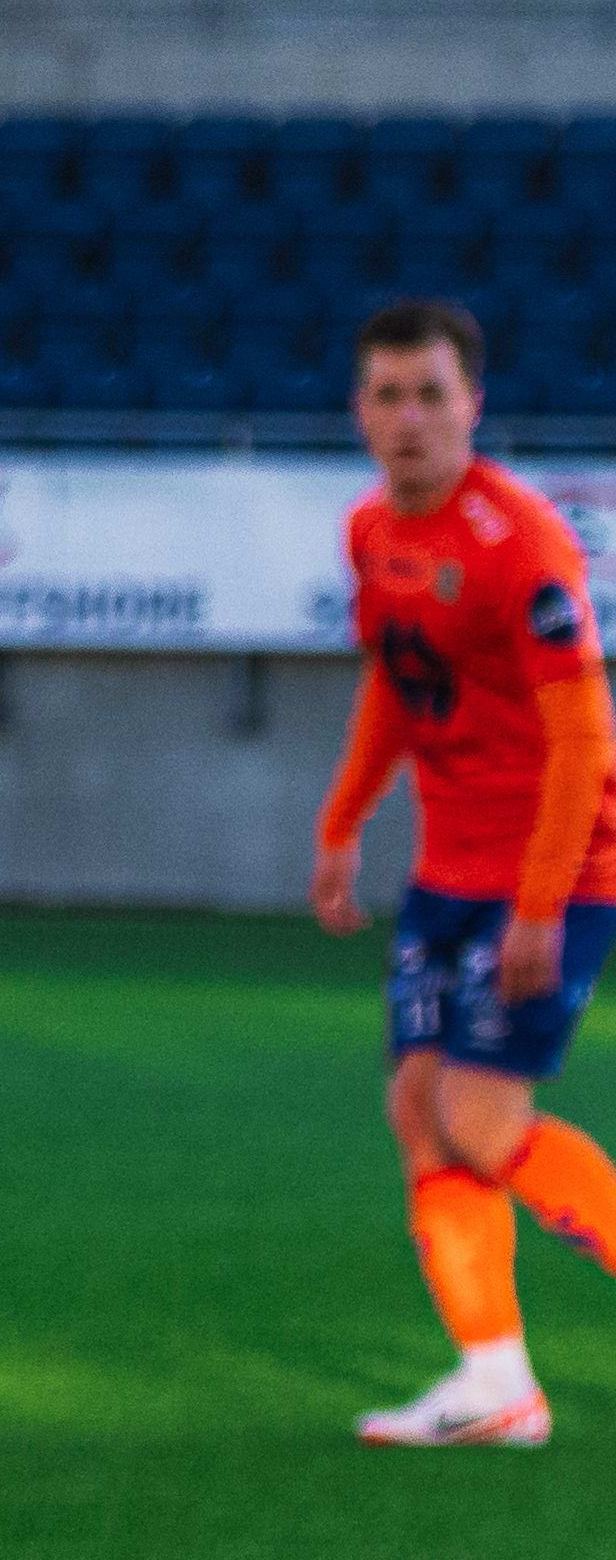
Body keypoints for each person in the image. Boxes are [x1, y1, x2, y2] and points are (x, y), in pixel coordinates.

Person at [312, 297, 616, 1448]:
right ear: (358, 410)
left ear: (470, 405)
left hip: (555, 869)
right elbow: (396, 684)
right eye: (386, 395)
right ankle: (495, 1384)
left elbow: (583, 743)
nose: (408, 419)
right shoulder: (368, 533)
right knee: (418, 1112)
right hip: (447, 871)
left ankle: (498, 1383)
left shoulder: (520, 544)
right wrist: (342, 821)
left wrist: (538, 906)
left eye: (429, 394)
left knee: (480, 1118)